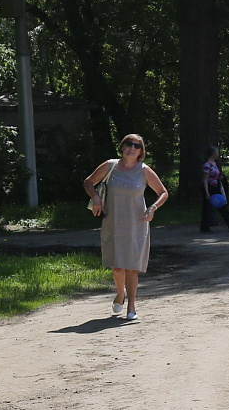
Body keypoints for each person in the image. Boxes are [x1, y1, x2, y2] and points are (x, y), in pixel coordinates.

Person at [83, 134, 168, 320]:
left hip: (137, 223)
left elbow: (163, 192)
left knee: (132, 267)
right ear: (122, 147)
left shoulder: (144, 170)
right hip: (113, 222)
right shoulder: (110, 166)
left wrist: (152, 208)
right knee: (117, 267)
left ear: (141, 151)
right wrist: (96, 197)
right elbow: (88, 182)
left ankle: (132, 306)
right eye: (129, 144)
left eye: (137, 146)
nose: (132, 148)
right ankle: (120, 294)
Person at [201, 146, 229, 233]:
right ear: (213, 153)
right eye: (217, 152)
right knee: (207, 207)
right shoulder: (207, 165)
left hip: (216, 186)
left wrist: (219, 178)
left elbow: (214, 175)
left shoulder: (215, 163)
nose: (218, 154)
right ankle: (204, 227)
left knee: (221, 204)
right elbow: (205, 179)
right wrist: (207, 192)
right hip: (209, 187)